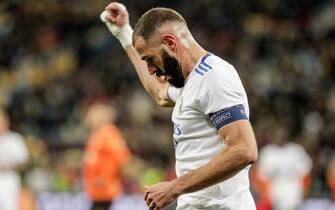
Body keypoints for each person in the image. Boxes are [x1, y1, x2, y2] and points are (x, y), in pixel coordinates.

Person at [100, 2, 258, 210]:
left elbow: (243, 150)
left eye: (150, 59)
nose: (149, 70)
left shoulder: (214, 77)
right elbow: (159, 93)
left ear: (170, 43)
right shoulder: (189, 81)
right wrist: (123, 32)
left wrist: (174, 188)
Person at [83, 102, 132, 210]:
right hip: (96, 190)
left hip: (104, 190)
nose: (89, 118)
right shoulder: (97, 133)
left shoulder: (109, 132)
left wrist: (105, 177)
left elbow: (122, 158)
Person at [0, 108, 29, 210]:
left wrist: (6, 166)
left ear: (6, 122)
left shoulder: (15, 139)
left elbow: (24, 162)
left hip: (9, 181)